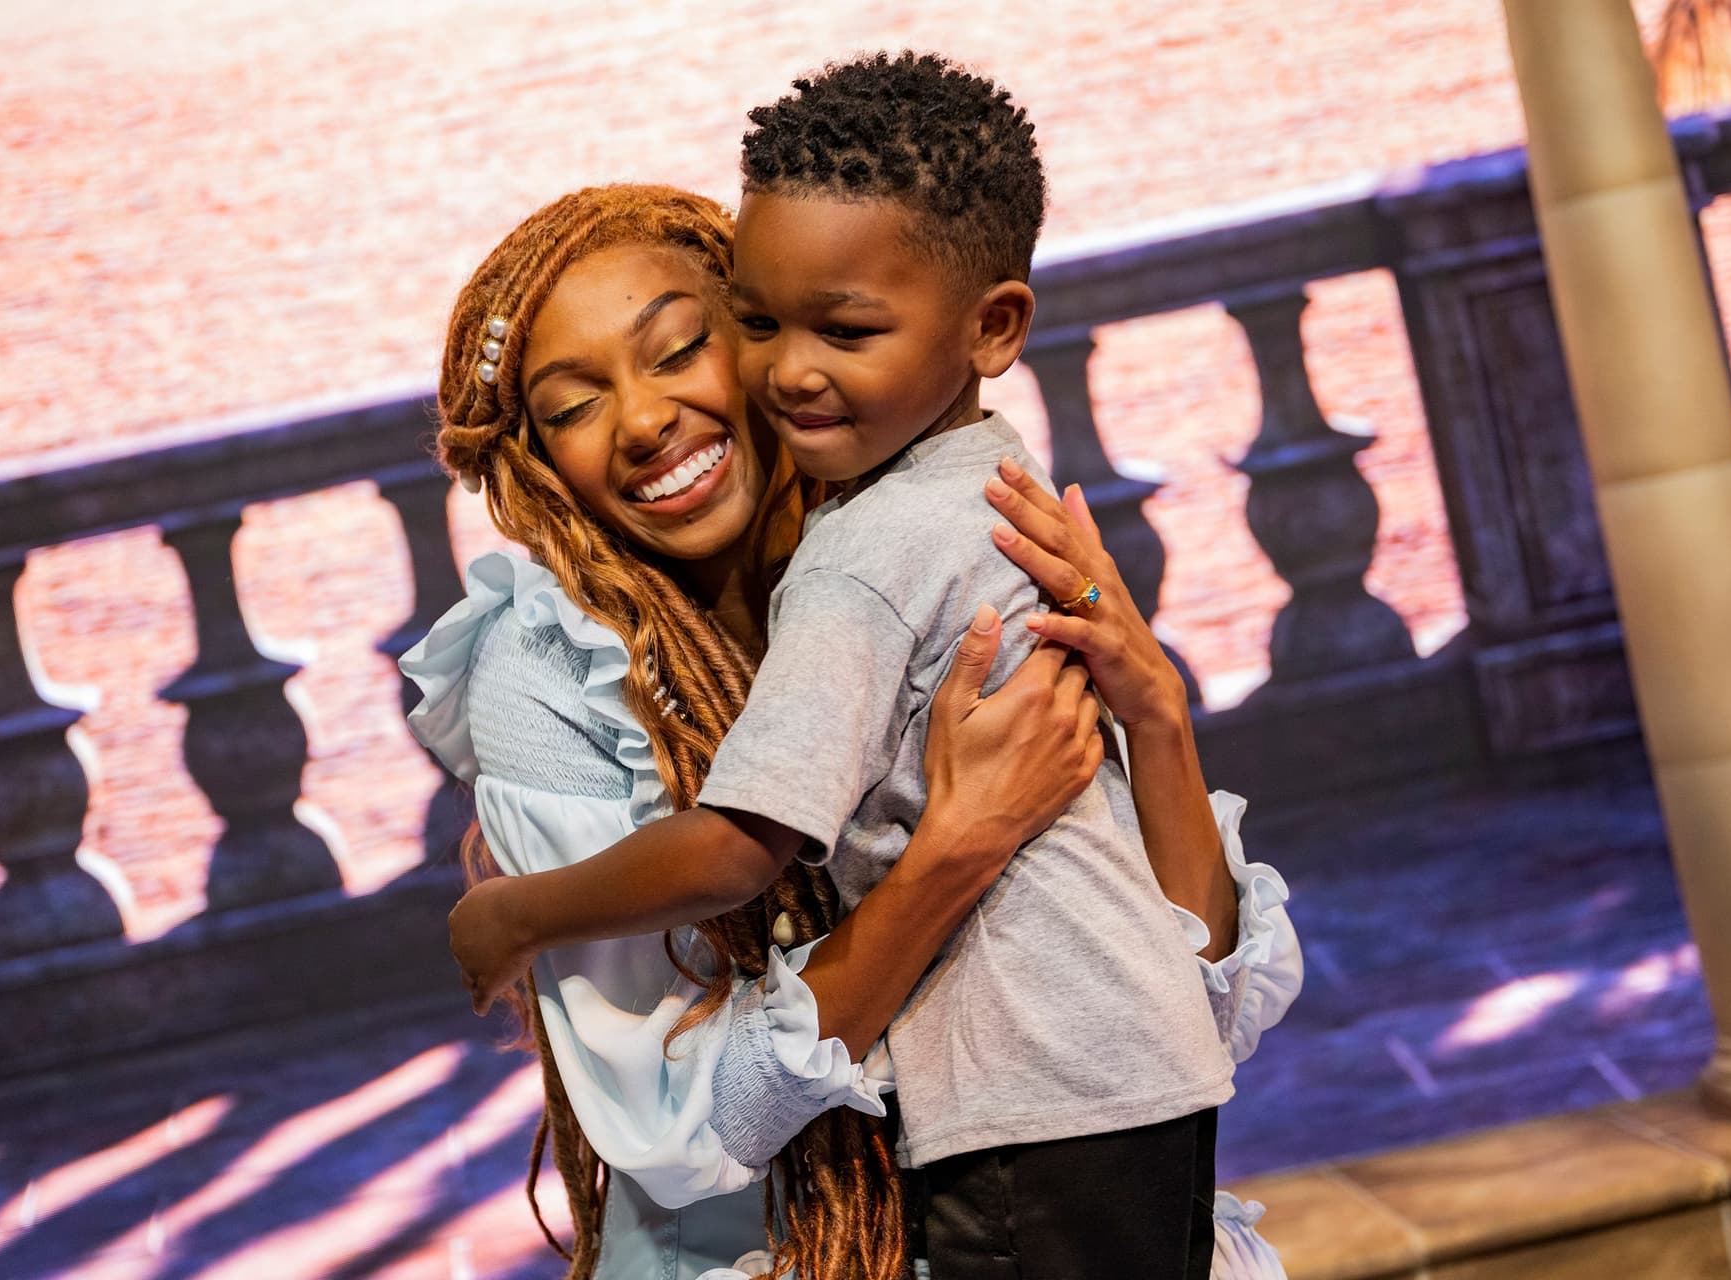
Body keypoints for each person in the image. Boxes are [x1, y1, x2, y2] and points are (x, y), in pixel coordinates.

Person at [443, 54, 1297, 1279]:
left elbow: (1194, 992)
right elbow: (688, 1136)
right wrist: (953, 849)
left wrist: (1155, 709)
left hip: (1042, 1153)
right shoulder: (543, 674)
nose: (643, 420)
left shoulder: (910, 551)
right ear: (532, 457)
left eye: (687, 343)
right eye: (573, 404)